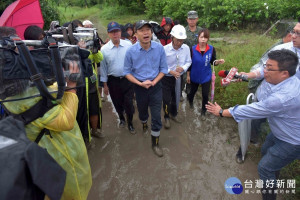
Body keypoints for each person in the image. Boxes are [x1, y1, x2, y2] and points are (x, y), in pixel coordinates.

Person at [1, 28, 92, 199]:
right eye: (17, 47)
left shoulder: (8, 90)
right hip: (59, 157)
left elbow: (46, 92)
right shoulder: (25, 96)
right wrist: (71, 87)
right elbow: (66, 121)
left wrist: (59, 81)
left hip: (38, 161)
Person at [206, 49, 300, 200]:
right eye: (265, 66)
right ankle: (274, 176)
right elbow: (261, 74)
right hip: (279, 131)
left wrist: (222, 112)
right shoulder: (284, 77)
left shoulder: (283, 97)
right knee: (265, 150)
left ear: (284, 73)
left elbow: (252, 110)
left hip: (292, 140)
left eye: (269, 68)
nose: (265, 71)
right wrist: (244, 76)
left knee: (264, 167)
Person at [235, 24, 294, 164]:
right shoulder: (281, 48)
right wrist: (249, 75)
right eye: (293, 32)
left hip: (289, 108)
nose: (294, 36)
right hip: (265, 98)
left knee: (278, 134)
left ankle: (271, 158)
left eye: (298, 33)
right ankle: (244, 147)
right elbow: (263, 68)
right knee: (254, 121)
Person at [124, 20, 168, 157]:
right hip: (140, 87)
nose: (146, 33)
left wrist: (154, 81)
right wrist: (140, 83)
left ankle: (155, 143)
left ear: (151, 32)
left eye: (148, 30)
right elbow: (126, 72)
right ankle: (143, 122)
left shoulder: (159, 48)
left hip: (156, 86)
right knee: (142, 112)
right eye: (142, 30)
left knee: (156, 116)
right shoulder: (130, 52)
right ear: (135, 34)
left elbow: (164, 69)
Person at [100, 21, 136, 134]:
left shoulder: (128, 45)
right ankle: (121, 118)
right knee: (117, 102)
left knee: (129, 103)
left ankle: (130, 122)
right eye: (112, 32)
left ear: (120, 32)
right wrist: (105, 85)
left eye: (117, 31)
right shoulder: (104, 49)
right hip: (113, 81)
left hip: (127, 78)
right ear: (108, 34)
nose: (115, 34)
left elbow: (133, 63)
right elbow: (103, 68)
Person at [187, 28, 225, 116]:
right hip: (194, 75)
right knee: (192, 91)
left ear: (208, 38)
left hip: (206, 76)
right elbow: (189, 64)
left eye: (205, 37)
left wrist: (217, 62)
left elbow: (213, 62)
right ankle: (190, 101)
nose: (203, 39)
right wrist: (188, 75)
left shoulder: (211, 49)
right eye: (201, 37)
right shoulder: (192, 49)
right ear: (198, 38)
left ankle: (203, 111)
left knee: (205, 95)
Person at [162, 24, 191, 129]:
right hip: (167, 78)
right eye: (177, 40)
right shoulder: (164, 49)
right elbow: (161, 66)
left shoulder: (186, 48)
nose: (179, 42)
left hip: (179, 78)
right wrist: (171, 71)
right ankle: (166, 117)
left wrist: (183, 68)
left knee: (176, 97)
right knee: (166, 99)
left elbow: (188, 61)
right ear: (172, 37)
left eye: (182, 40)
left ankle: (173, 114)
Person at [182, 11, 203, 100]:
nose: (192, 21)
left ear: (197, 19)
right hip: (185, 57)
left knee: (193, 76)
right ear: (187, 20)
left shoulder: (201, 31)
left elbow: (204, 42)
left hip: (196, 57)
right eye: (190, 19)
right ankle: (179, 92)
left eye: (194, 19)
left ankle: (190, 92)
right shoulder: (183, 31)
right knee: (183, 77)